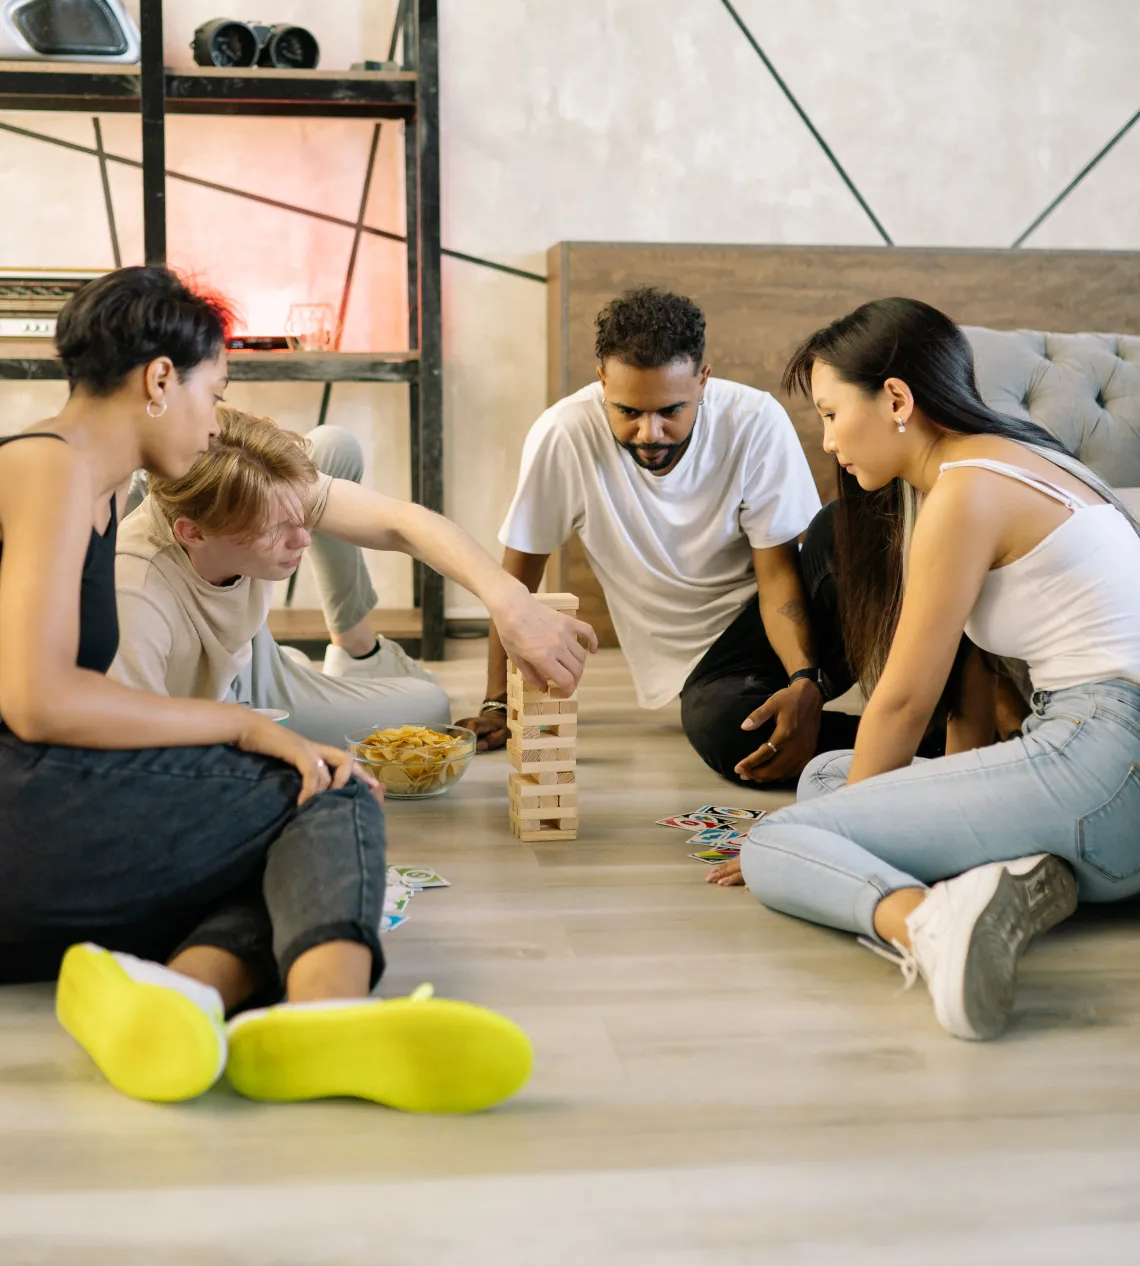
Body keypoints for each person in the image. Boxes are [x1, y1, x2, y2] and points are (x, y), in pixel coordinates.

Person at [0, 266, 590, 1108]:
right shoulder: (49, 468)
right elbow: (36, 701)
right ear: (161, 380)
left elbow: (394, 520)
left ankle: (185, 995)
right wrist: (243, 728)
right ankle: (327, 1015)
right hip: (22, 810)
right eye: (217, 391)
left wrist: (509, 603)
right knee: (330, 790)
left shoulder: (86, 483)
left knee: (278, 836)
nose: (215, 424)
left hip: (34, 819)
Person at [710, 297, 1140, 1041]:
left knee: (779, 840)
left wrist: (830, 837)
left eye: (832, 413)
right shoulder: (1012, 459)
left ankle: (930, 926)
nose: (827, 440)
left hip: (1103, 761)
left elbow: (904, 704)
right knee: (821, 779)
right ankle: (1019, 878)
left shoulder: (967, 491)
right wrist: (847, 811)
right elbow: (964, 707)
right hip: (1107, 780)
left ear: (897, 400)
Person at [461, 286, 846, 787]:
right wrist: (497, 703)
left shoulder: (754, 420)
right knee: (721, 731)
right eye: (628, 412)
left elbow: (778, 576)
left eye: (670, 411)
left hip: (791, 629)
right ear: (601, 382)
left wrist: (804, 677)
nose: (649, 432)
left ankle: (921, 709)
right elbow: (512, 587)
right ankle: (921, 744)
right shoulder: (563, 435)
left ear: (703, 381)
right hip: (715, 673)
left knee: (844, 528)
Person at [114, 405, 564, 750]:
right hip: (207, 715)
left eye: (302, 517)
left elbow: (402, 524)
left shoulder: (256, 489)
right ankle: (299, 671)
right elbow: (139, 757)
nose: (303, 540)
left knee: (428, 701)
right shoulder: (135, 593)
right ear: (192, 533)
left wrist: (509, 600)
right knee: (430, 709)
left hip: (252, 661)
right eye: (274, 530)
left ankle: (343, 656)